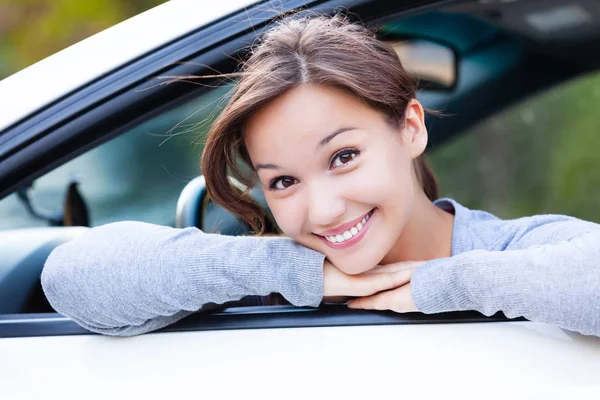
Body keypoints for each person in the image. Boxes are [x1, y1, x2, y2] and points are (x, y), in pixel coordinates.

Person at [41, 14, 600, 337]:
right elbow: (72, 276)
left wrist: (439, 284)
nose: (324, 210)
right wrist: (292, 270)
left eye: (343, 157)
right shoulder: (274, 287)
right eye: (283, 181)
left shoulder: (514, 253)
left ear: (409, 128)